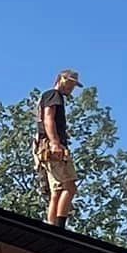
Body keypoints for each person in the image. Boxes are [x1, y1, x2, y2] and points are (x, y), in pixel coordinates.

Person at [35, 68, 82, 229]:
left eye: (74, 85)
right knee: (70, 187)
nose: (71, 87)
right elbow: (48, 119)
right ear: (60, 79)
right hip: (52, 146)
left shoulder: (50, 96)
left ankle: (52, 226)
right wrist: (55, 142)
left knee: (57, 191)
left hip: (45, 146)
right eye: (69, 82)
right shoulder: (53, 95)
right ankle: (60, 227)